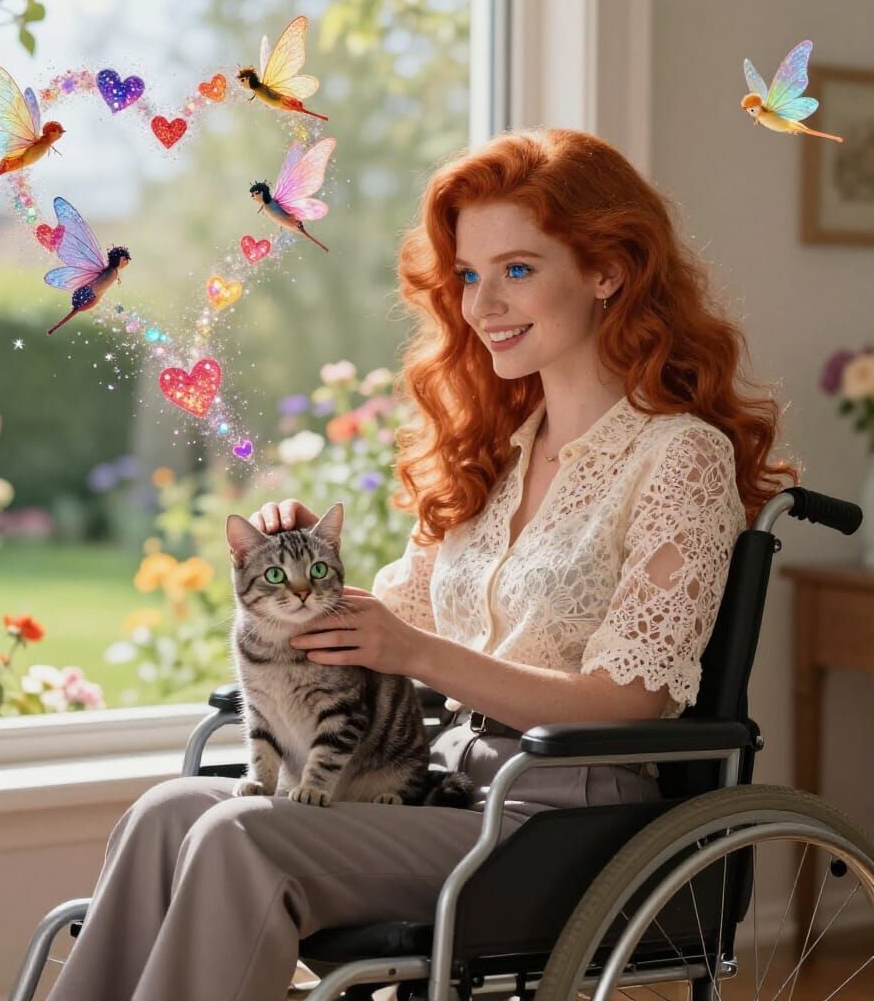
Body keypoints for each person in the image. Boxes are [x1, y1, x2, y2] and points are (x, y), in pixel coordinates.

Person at [44, 128, 797, 1001]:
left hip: (569, 826)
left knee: (237, 838)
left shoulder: (678, 457)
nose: (483, 305)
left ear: (608, 270)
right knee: (167, 812)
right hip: (448, 791)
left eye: (517, 269)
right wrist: (300, 565)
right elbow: (389, 625)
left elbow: (630, 699)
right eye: (470, 276)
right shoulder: (497, 458)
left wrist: (416, 654)